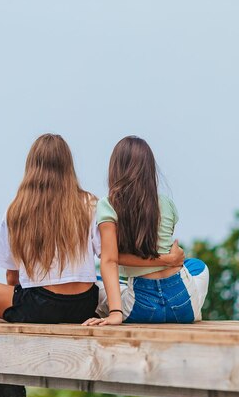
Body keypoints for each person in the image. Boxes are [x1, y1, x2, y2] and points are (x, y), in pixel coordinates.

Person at [0, 133, 100, 323]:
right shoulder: (90, 203)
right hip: (85, 306)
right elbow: (107, 257)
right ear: (68, 167)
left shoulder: (17, 210)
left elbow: (12, 277)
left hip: (38, 308)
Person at [84, 136, 209, 326]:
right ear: (150, 169)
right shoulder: (166, 203)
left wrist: (116, 313)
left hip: (141, 307)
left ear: (115, 168)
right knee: (199, 267)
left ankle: (121, 302)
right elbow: (162, 248)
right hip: (182, 304)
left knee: (96, 282)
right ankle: (194, 306)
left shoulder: (108, 205)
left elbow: (110, 259)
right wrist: (167, 260)